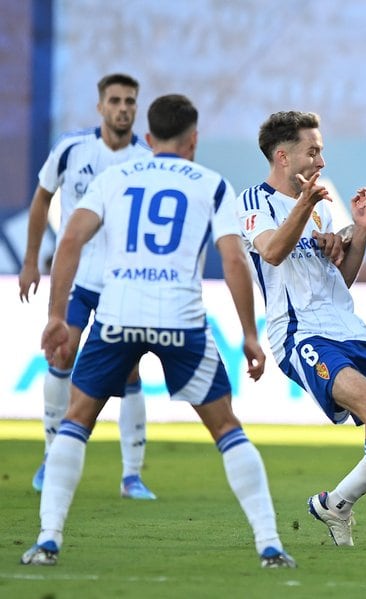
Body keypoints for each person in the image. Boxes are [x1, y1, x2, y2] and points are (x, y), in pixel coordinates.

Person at [20, 94, 295, 568]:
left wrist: (57, 315)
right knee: (227, 428)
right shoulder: (211, 184)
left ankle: (48, 540)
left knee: (77, 420)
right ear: (193, 140)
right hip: (181, 319)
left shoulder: (115, 177)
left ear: (148, 139)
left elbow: (69, 239)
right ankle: (269, 545)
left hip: (117, 314)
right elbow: (233, 259)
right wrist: (250, 334)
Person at [236, 111, 366, 553]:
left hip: (349, 330)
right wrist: (304, 207)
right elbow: (270, 252)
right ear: (283, 156)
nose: (321, 159)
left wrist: (359, 233)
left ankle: (336, 503)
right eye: (313, 150)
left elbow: (339, 279)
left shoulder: (322, 207)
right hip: (301, 334)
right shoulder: (255, 201)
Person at [18, 73, 156, 500]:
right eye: (115, 100)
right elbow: (42, 196)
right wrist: (30, 259)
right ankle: (49, 457)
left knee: (130, 367)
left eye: (130, 101)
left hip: (124, 280)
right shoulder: (72, 149)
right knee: (61, 351)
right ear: (100, 107)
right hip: (76, 276)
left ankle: (132, 475)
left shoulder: (146, 158)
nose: (123, 108)